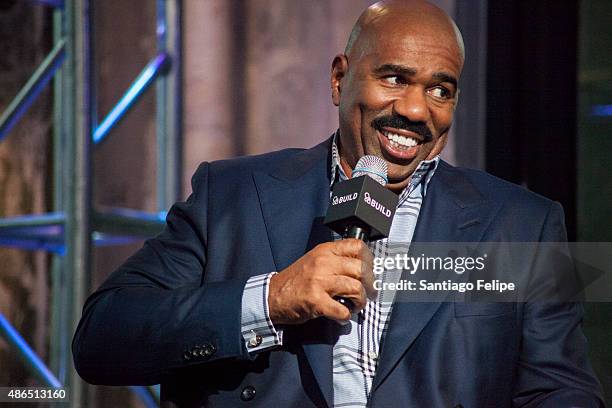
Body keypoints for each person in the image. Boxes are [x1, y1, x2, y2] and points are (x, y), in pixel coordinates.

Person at [72, 1, 604, 407]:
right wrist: (271, 299)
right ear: (339, 78)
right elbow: (102, 338)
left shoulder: (520, 225)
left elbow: (561, 390)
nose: (417, 109)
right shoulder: (233, 194)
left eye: (442, 91)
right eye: (394, 78)